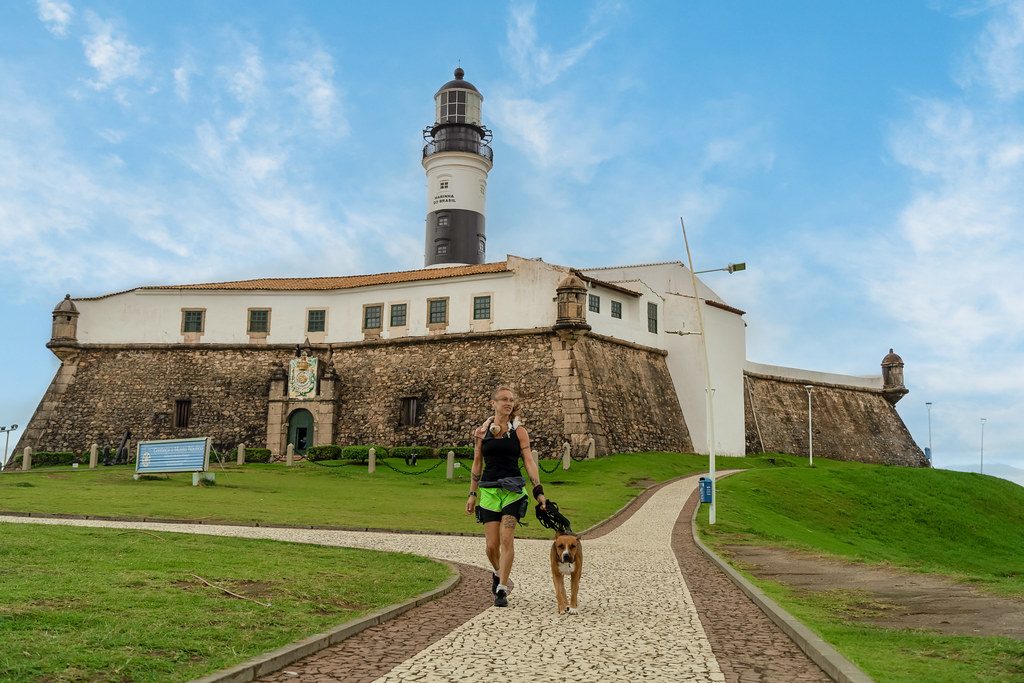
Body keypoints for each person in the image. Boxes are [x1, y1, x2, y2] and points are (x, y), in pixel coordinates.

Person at [466, 385, 547, 607]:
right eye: (503, 399)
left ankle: (501, 589)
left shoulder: (519, 432)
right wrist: (472, 494)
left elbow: (529, 461)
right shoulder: (482, 433)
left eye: (511, 399)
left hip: (513, 492)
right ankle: (497, 571)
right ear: (493, 403)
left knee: (506, 538)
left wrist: (538, 489)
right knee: (491, 546)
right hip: (489, 492)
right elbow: (477, 462)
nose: (508, 403)